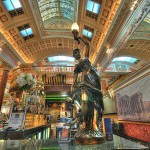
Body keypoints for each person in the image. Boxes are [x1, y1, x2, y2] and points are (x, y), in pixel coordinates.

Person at [71, 48, 104, 131]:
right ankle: (86, 123)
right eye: (75, 54)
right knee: (85, 102)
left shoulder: (86, 59)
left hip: (94, 78)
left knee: (97, 102)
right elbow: (75, 76)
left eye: (77, 52)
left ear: (80, 53)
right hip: (86, 82)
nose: (76, 54)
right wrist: (73, 85)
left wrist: (79, 38)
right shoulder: (78, 66)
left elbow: (87, 45)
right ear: (74, 57)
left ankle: (94, 123)